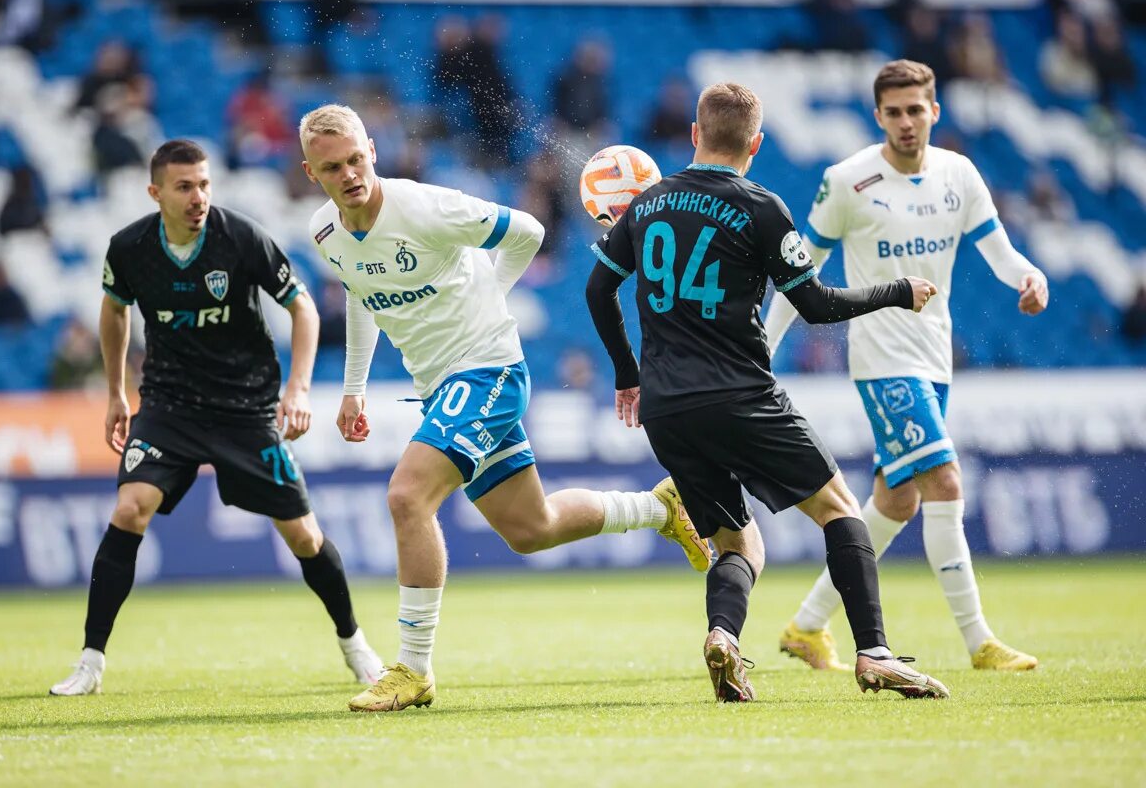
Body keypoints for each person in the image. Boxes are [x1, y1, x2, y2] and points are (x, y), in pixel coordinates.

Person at [299, 104, 708, 713]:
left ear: (373, 151)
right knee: (530, 528)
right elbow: (360, 293)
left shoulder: (423, 206)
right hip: (442, 385)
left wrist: (493, 288)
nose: (350, 174)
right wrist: (353, 386)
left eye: (357, 158)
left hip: (487, 368)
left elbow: (528, 230)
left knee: (407, 496)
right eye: (333, 167)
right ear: (313, 173)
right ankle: (659, 506)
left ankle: (411, 668)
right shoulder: (325, 233)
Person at [585, 82, 949, 702]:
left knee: (735, 541)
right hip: (740, 395)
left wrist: (628, 374)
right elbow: (815, 304)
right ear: (755, 142)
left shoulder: (645, 206)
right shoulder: (761, 207)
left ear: (695, 135)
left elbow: (598, 291)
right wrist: (896, 291)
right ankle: (875, 654)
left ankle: (724, 637)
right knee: (840, 509)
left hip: (667, 410)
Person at [49, 140, 382, 696]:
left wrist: (298, 388)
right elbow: (113, 310)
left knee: (302, 535)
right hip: (169, 407)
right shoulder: (129, 248)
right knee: (130, 508)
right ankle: (90, 662)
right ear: (155, 193)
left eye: (204, 184)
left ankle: (355, 645)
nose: (198, 196)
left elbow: (302, 307)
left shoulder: (241, 237)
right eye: (184, 187)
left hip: (245, 408)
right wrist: (115, 393)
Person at [764, 60, 1049, 673]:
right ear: (878, 117)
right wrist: (765, 343)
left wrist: (1029, 276)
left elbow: (999, 254)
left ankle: (806, 627)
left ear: (934, 111)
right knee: (944, 480)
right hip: (882, 358)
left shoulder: (959, 175)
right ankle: (979, 643)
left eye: (915, 109)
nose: (905, 122)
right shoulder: (847, 181)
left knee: (896, 502)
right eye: (893, 112)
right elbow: (798, 275)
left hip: (934, 355)